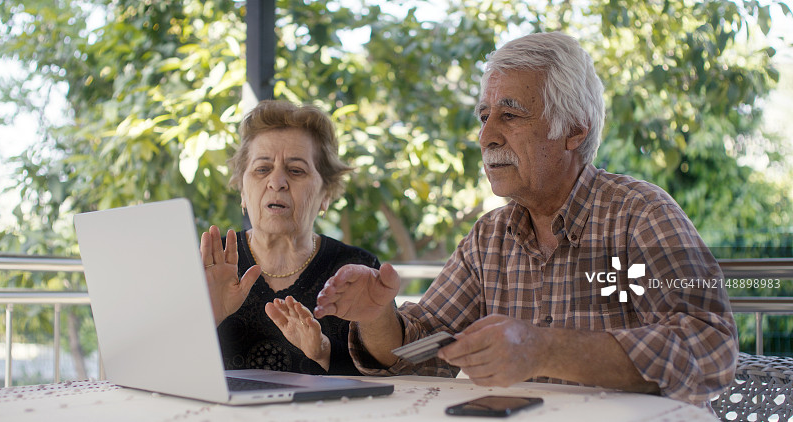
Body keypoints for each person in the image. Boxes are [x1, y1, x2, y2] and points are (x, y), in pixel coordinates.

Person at [314, 32, 737, 407]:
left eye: (510, 115)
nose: (486, 136)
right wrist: (377, 318)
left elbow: (711, 349)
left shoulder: (641, 215)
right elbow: (420, 355)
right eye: (484, 117)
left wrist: (545, 349)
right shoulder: (489, 238)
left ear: (575, 130)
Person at [200, 100, 380, 376]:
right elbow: (160, 368)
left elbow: (386, 372)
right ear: (242, 192)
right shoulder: (204, 264)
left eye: (296, 170)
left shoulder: (358, 268)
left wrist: (324, 352)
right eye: (262, 169)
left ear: (326, 194)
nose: (277, 182)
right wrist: (207, 317)